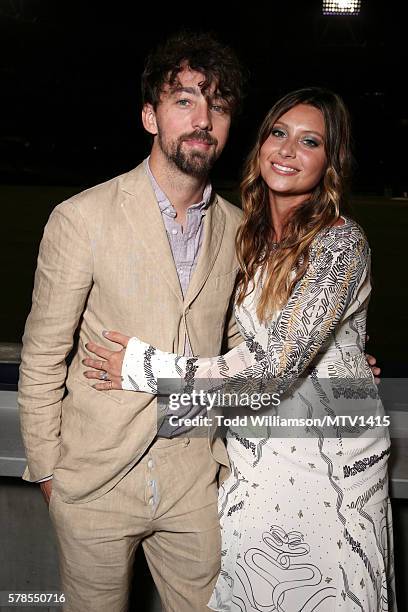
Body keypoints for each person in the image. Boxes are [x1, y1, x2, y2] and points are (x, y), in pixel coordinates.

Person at [84, 88, 396, 611]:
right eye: (278, 133)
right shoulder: (244, 235)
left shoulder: (342, 243)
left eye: (310, 141)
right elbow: (244, 348)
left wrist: (142, 367)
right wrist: (340, 359)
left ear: (330, 161)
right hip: (254, 456)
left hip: (327, 465)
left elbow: (272, 372)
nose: (288, 150)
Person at [18, 31, 247, 612]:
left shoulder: (241, 228)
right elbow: (43, 354)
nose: (203, 119)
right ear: (150, 116)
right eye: (185, 100)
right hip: (95, 480)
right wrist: (50, 473)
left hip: (195, 477)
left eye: (217, 105)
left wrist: (334, 361)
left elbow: (248, 350)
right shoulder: (81, 218)